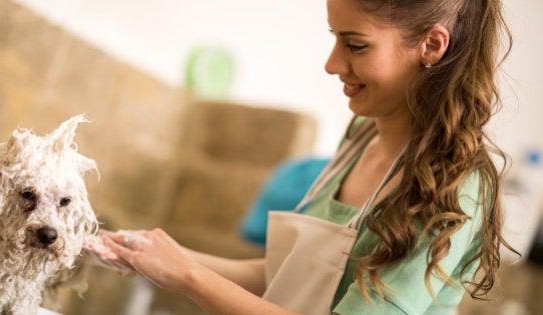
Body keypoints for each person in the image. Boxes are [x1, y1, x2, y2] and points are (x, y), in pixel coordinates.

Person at [84, 0, 516, 313]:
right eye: (335, 39)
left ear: (432, 45)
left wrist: (187, 276)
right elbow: (289, 275)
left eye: (356, 45)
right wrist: (162, 256)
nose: (332, 64)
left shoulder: (455, 186)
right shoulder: (359, 137)